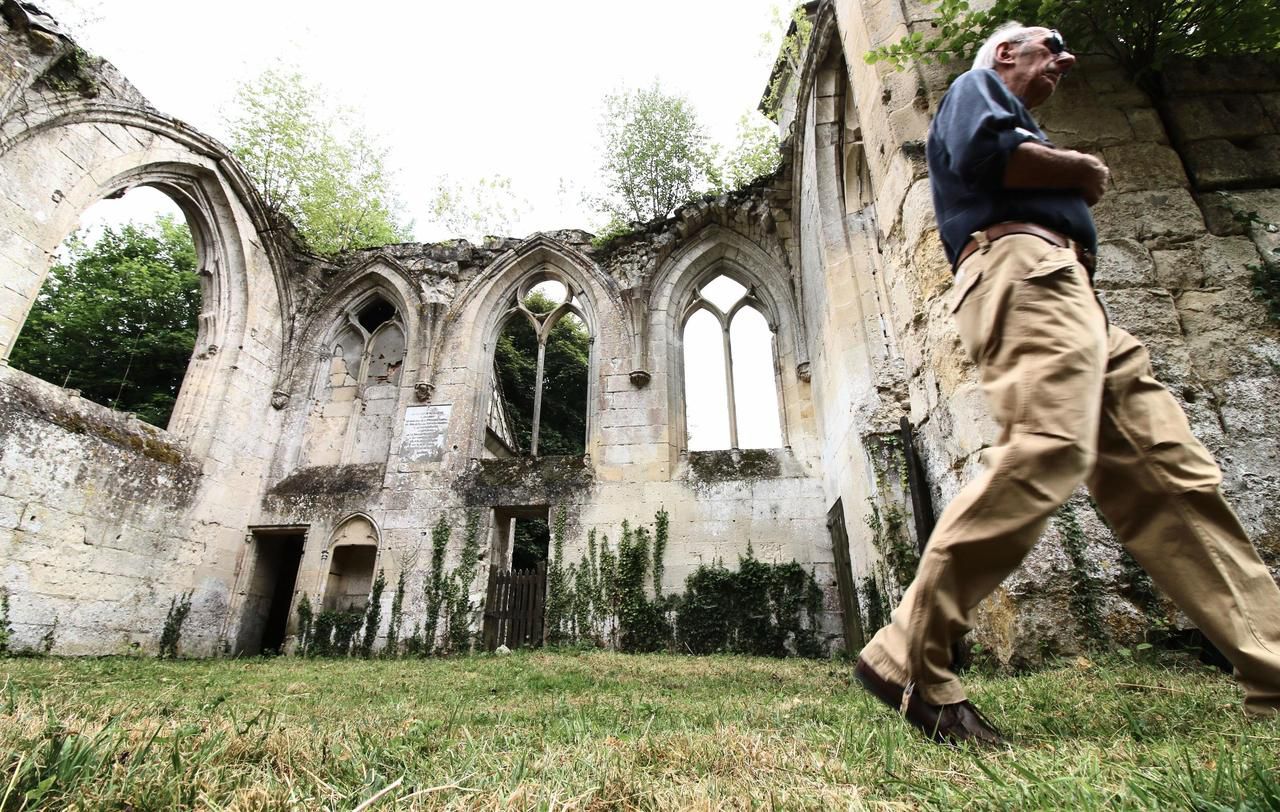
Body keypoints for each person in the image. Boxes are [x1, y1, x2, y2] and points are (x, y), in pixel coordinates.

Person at [853, 22, 1280, 746]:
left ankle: (1272, 665)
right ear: (1004, 54)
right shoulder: (974, 87)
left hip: (1075, 294)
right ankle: (905, 657)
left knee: (1173, 478)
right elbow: (989, 155)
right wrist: (1080, 171)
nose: (1066, 57)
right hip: (1023, 268)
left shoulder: (1017, 104)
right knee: (1048, 448)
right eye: (1049, 45)